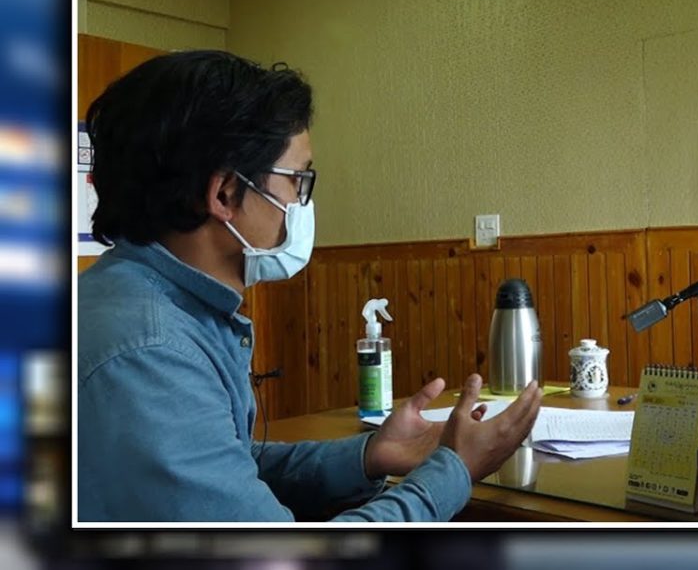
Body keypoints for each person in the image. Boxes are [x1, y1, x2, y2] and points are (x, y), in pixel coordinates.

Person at [77, 50, 541, 522]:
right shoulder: (149, 351)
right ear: (224, 194)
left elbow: (226, 468)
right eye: (297, 180)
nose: (302, 202)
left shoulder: (141, 302)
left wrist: (370, 455)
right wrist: (454, 471)